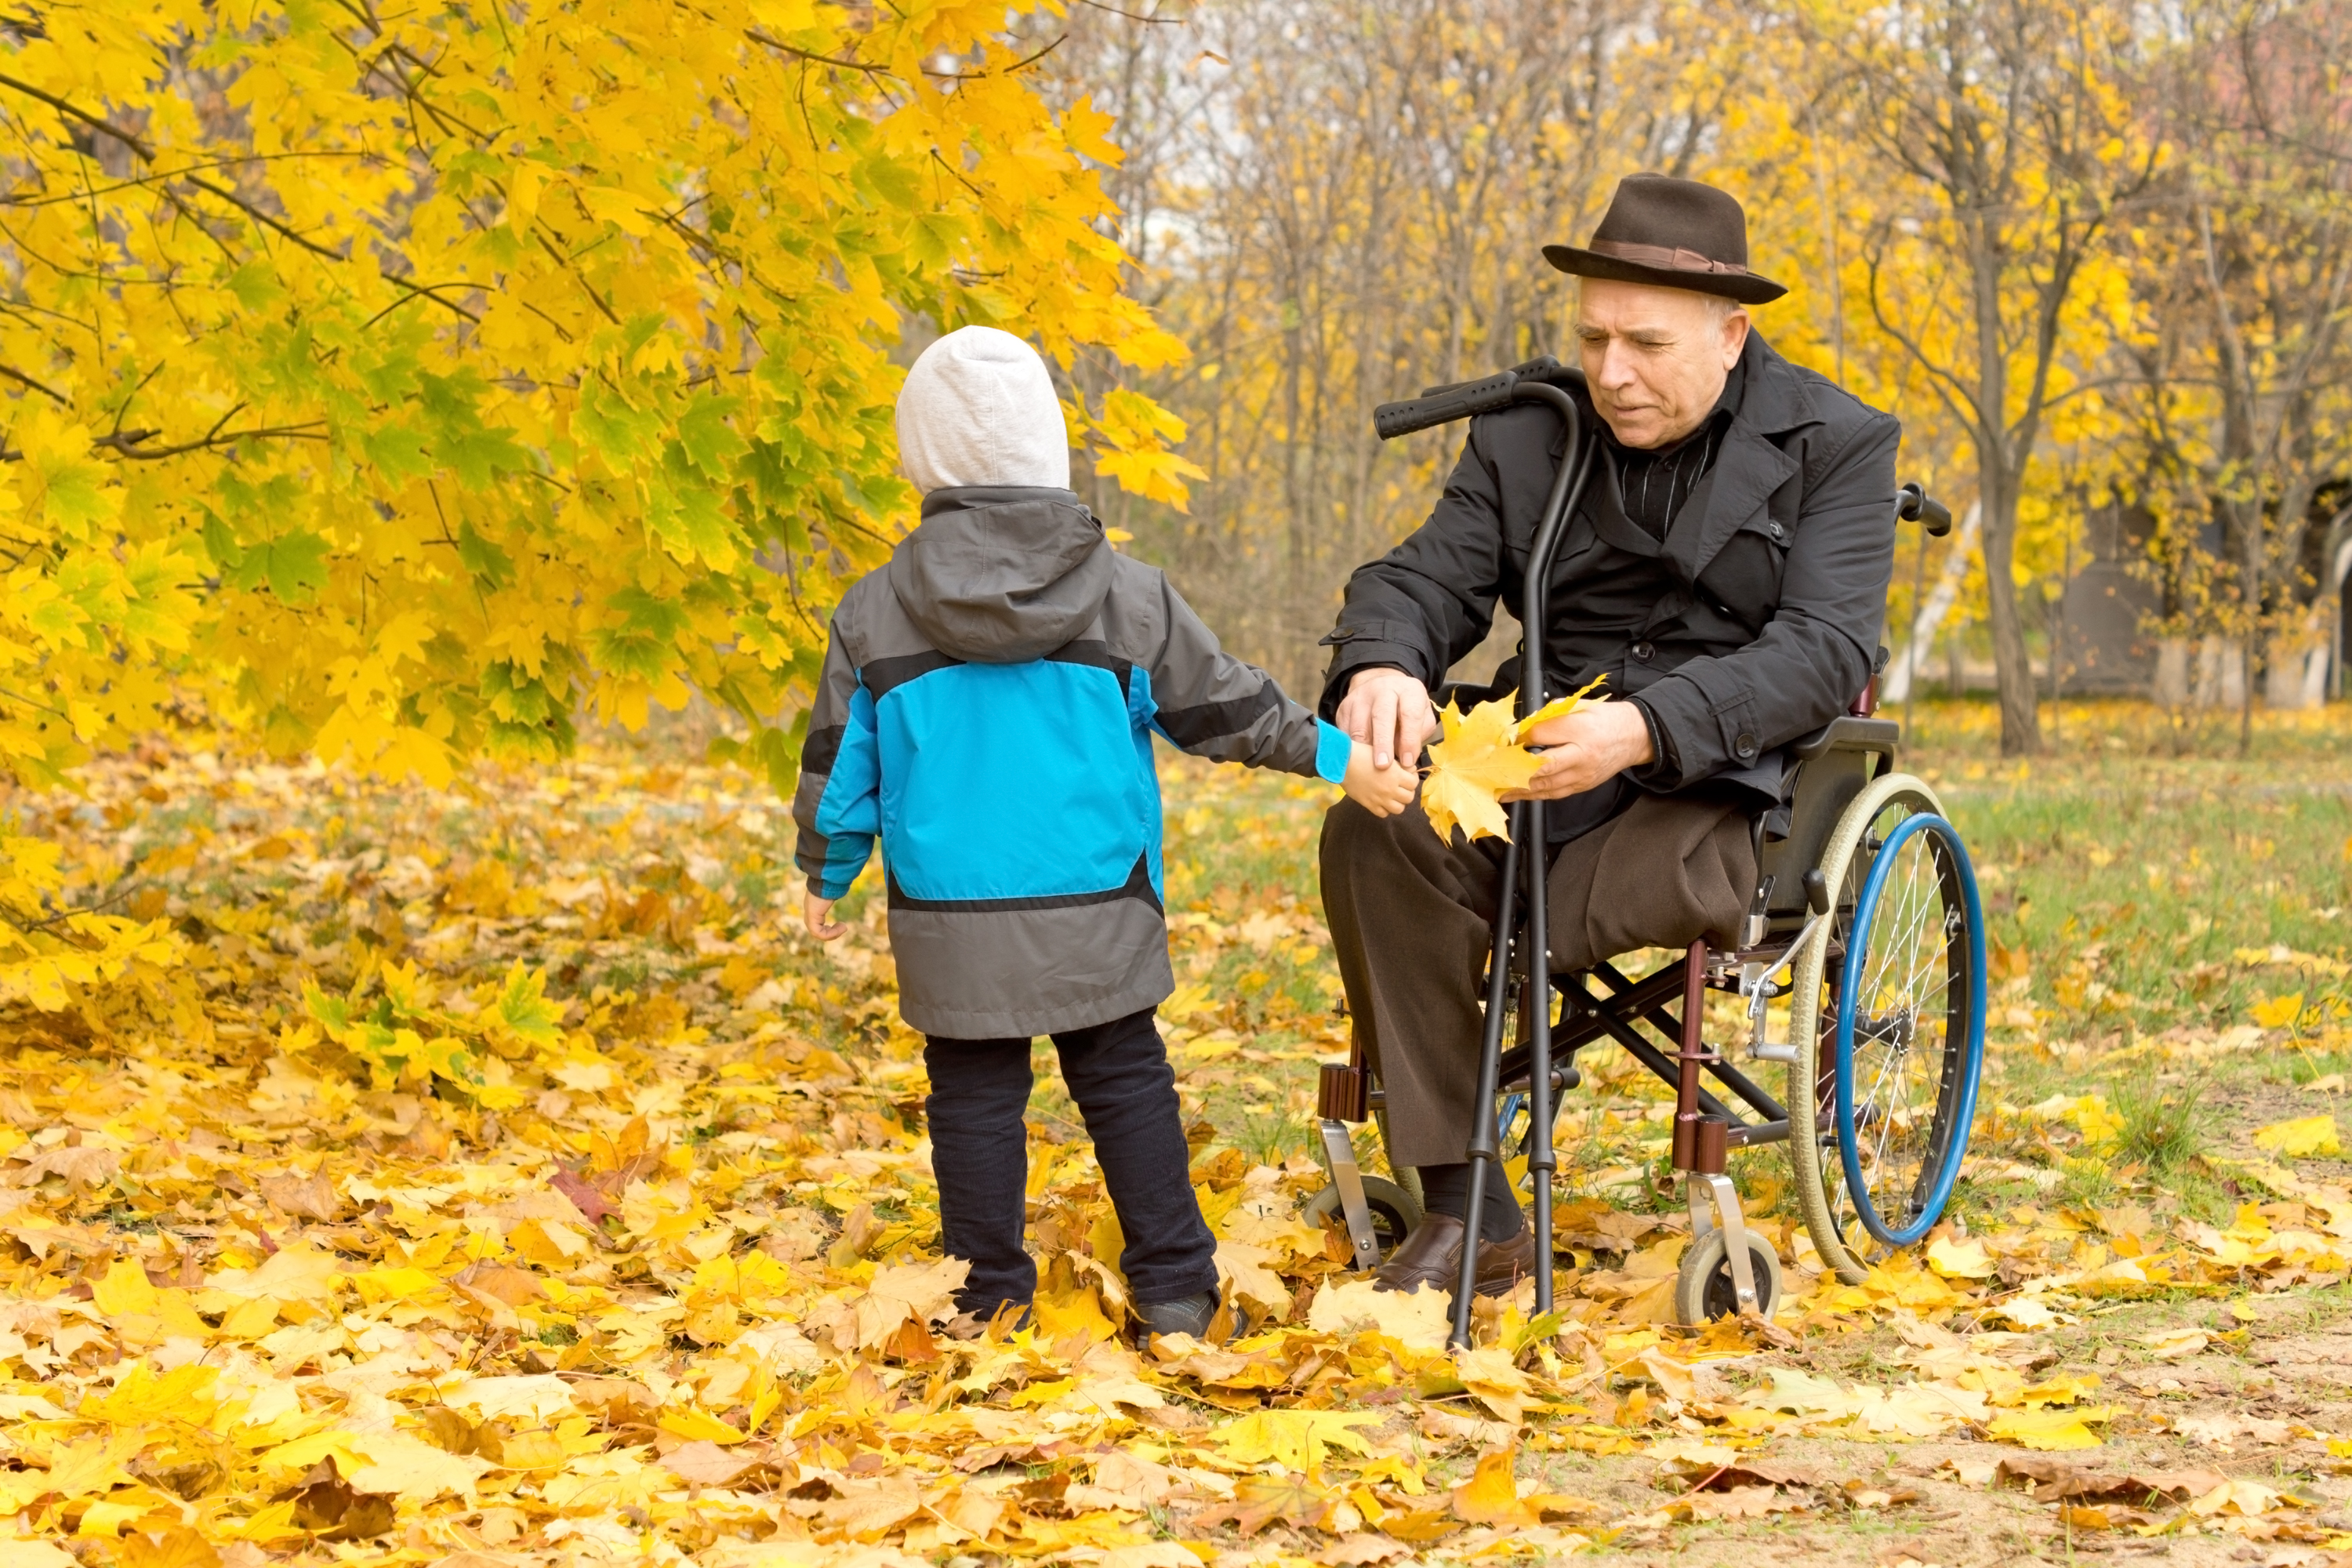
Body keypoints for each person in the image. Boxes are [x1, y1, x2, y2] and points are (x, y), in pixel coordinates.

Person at [1316, 175, 1901, 1296]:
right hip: (1540, 755)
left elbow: (1826, 648)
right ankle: (1470, 1206)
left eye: (1646, 344)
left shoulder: (1838, 442)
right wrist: (1384, 660)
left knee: (1586, 892)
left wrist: (1645, 727)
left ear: (1730, 337)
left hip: (1716, 781)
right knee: (1373, 831)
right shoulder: (1528, 433)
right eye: (1593, 339)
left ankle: (1493, 1080)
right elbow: (1422, 577)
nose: (1612, 372)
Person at [794, 325, 1417, 1340]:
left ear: (923, 460)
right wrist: (1339, 758)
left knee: (973, 1099)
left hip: (951, 916)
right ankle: (1174, 1287)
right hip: (1100, 901)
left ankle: (987, 1297)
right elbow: (1227, 706)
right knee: (1126, 1083)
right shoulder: (1128, 596)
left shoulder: (874, 612)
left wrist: (827, 871)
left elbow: (838, 760)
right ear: (1049, 448)